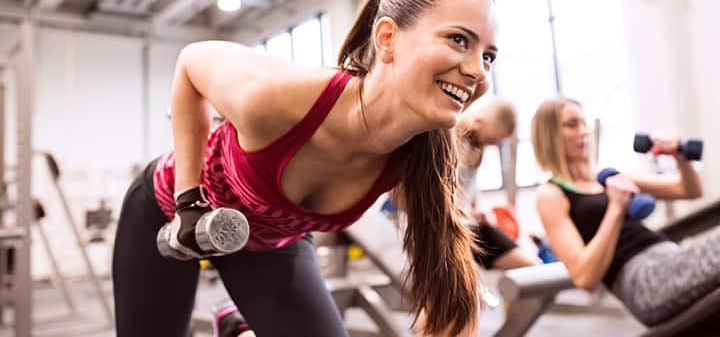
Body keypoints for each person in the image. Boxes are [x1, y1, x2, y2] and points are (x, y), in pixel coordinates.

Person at [111, 0, 499, 337]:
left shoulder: (418, 156)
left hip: (272, 242)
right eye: (458, 40)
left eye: (488, 56)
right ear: (386, 39)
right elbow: (191, 62)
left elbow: (442, 273)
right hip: (164, 213)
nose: (478, 72)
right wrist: (188, 199)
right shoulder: (274, 99)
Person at [210, 98, 538, 337]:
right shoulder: (438, 134)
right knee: (442, 301)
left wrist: (472, 210)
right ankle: (240, 318)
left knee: (528, 272)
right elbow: (402, 193)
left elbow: (467, 189)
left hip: (461, 223)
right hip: (420, 224)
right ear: (479, 123)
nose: (489, 145)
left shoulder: (475, 148)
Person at [531, 97, 717, 327]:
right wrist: (616, 208)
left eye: (583, 123)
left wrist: (679, 155)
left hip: (670, 257)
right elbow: (584, 277)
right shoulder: (551, 194)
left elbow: (689, 190)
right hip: (642, 280)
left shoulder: (605, 177)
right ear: (549, 134)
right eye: (571, 125)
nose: (583, 132)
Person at [455, 98, 539, 270]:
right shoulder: (451, 138)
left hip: (467, 224)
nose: (488, 145)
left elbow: (469, 185)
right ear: (479, 122)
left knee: (532, 267)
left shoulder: (477, 145)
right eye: (489, 139)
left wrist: (477, 209)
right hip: (452, 227)